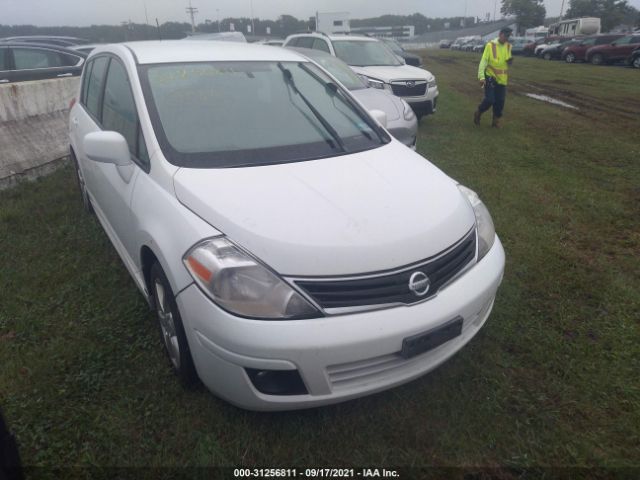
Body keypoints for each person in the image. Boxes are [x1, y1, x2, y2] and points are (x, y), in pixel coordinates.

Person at [474, 27, 513, 128]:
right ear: (500, 34)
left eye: (508, 36)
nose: (507, 38)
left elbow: (506, 61)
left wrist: (510, 61)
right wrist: (481, 77)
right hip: (490, 77)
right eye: (505, 35)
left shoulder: (508, 46)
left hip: (502, 79)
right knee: (490, 100)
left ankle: (495, 121)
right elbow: (483, 62)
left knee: (500, 102)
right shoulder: (490, 45)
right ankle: (479, 112)